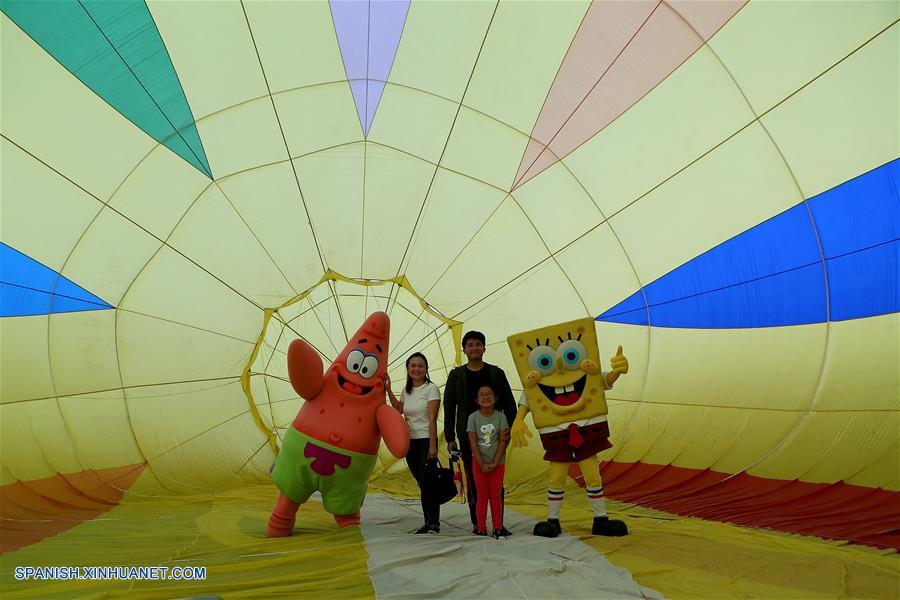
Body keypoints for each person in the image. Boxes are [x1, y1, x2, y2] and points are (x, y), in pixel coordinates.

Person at [443, 330, 517, 532]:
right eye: (470, 345)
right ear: (464, 350)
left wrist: (510, 429)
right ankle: (478, 523)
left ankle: (498, 524)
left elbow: (510, 404)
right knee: (474, 481)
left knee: (496, 481)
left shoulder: (496, 373)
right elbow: (449, 406)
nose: (474, 348)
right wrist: (450, 437)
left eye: (478, 344)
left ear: (484, 348)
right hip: (468, 438)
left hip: (495, 437)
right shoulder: (456, 375)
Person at [386, 352, 442, 533]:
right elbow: (399, 410)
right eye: (413, 366)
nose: (416, 369)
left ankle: (433, 523)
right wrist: (388, 389)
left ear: (426, 369)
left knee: (428, 483)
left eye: (420, 366)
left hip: (426, 440)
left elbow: (432, 419)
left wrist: (433, 445)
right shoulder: (406, 390)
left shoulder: (431, 389)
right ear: (408, 369)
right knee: (422, 483)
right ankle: (429, 522)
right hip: (410, 443)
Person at [466, 385, 512, 539]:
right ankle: (481, 528)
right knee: (482, 496)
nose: (485, 397)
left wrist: (495, 462)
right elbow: (473, 443)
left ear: (495, 398)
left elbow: (502, 442)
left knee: (496, 495)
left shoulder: (501, 417)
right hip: (479, 463)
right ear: (477, 400)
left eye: (489, 394)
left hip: (498, 464)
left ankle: (498, 527)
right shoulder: (473, 418)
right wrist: (481, 464)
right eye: (482, 395)